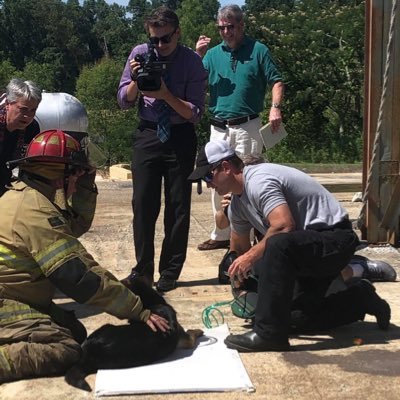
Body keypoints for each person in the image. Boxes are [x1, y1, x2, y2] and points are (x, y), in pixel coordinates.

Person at [188, 139, 391, 352]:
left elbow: (284, 226)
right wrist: (239, 278)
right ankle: (361, 298)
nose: (208, 184)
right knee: (293, 318)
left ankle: (269, 335)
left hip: (334, 239)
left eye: (208, 176)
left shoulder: (258, 180)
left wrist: (249, 259)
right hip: (303, 250)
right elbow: (240, 248)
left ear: (226, 167)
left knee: (275, 245)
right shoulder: (238, 204)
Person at [0, 130, 169, 383]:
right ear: (61, 175)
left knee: (76, 331)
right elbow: (79, 277)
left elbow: (72, 226)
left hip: (17, 295)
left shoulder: (27, 195)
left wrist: (86, 186)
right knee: (66, 350)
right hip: (7, 302)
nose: (78, 181)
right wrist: (138, 310)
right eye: (76, 174)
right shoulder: (35, 212)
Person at [117, 6, 207, 292]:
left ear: (177, 33)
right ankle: (142, 270)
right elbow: (122, 100)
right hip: (148, 133)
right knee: (143, 204)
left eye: (164, 39)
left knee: (178, 206)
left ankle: (169, 271)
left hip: (180, 134)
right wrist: (135, 81)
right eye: (154, 39)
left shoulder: (192, 62)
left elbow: (195, 112)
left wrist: (166, 95)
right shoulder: (139, 53)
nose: (159, 46)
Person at [195, 4, 284, 251]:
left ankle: (259, 231)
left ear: (241, 25)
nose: (226, 32)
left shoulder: (258, 50)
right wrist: (198, 57)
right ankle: (221, 234)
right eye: (221, 27)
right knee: (216, 179)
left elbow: (276, 80)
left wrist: (275, 107)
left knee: (251, 179)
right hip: (219, 127)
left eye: (230, 27)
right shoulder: (212, 54)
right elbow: (193, 83)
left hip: (247, 125)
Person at [0, 78, 42, 196]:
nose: (27, 116)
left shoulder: (32, 128)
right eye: (23, 109)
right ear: (8, 104)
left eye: (33, 110)